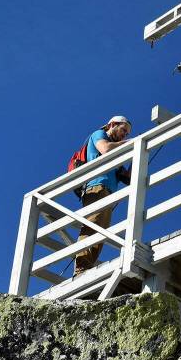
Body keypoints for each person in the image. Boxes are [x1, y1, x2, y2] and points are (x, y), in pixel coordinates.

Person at [74, 115, 132, 275]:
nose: (124, 135)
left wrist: (137, 150)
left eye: (127, 134)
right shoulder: (99, 135)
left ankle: (86, 266)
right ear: (112, 124)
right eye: (123, 130)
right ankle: (81, 268)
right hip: (95, 186)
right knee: (92, 224)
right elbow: (105, 149)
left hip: (108, 191)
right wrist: (128, 144)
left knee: (101, 229)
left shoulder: (117, 149)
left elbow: (127, 178)